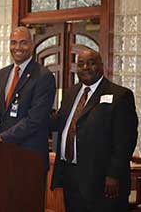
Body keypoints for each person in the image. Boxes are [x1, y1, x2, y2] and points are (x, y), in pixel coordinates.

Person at [51, 46, 138, 212]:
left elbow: (125, 140)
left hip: (101, 179)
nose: (85, 68)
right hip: (70, 173)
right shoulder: (70, 93)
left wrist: (113, 175)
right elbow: (60, 122)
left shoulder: (120, 96)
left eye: (91, 63)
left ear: (102, 66)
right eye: (81, 64)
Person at [0, 26, 56, 171]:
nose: (17, 47)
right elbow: (2, 109)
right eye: (13, 42)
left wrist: (2, 138)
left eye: (23, 42)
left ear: (32, 45)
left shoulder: (43, 76)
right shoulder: (3, 74)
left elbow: (35, 120)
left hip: (29, 156)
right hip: (4, 154)